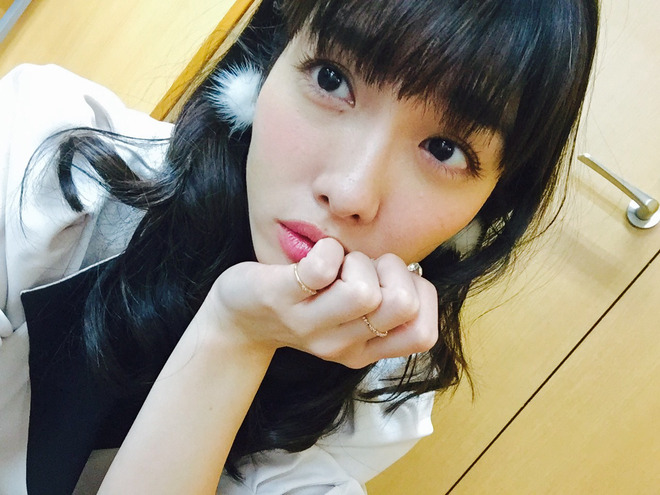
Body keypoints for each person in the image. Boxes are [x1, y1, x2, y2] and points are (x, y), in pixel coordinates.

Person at [0, 0, 598, 493]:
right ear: (269, 62)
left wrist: (236, 335)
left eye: (444, 149)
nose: (350, 191)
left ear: (485, 210)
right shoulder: (41, 159)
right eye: (332, 79)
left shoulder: (380, 399)